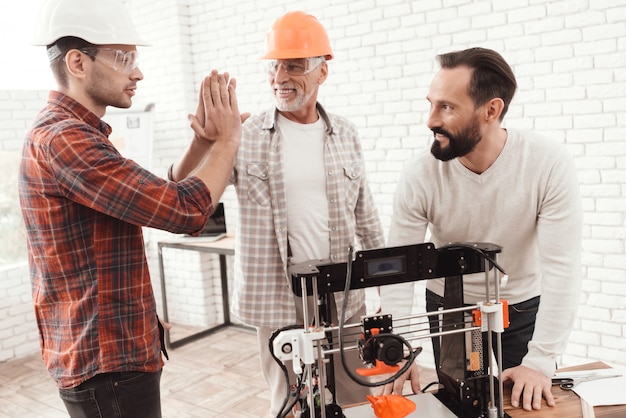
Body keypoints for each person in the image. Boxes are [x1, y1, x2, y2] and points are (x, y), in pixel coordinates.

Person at [18, 0, 242, 417]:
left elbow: (154, 193)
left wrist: (204, 145)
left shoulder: (76, 135)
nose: (137, 72)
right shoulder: (65, 141)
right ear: (78, 63)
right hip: (105, 365)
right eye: (124, 58)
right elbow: (185, 211)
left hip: (113, 355)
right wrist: (229, 141)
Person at [171, 11, 385, 417]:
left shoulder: (346, 132)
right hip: (278, 298)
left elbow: (366, 213)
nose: (280, 76)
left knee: (355, 398)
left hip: (343, 295)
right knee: (290, 404)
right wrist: (203, 143)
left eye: (294, 65)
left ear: (322, 71)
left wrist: (387, 282)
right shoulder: (244, 135)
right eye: (274, 65)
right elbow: (182, 192)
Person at [380, 47, 582, 412]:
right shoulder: (419, 175)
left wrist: (540, 362)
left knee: (523, 404)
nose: (430, 120)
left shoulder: (547, 163)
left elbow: (562, 270)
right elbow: (399, 268)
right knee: (459, 405)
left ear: (492, 110)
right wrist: (396, 351)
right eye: (431, 104)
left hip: (519, 304)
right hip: (450, 307)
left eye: (447, 107)